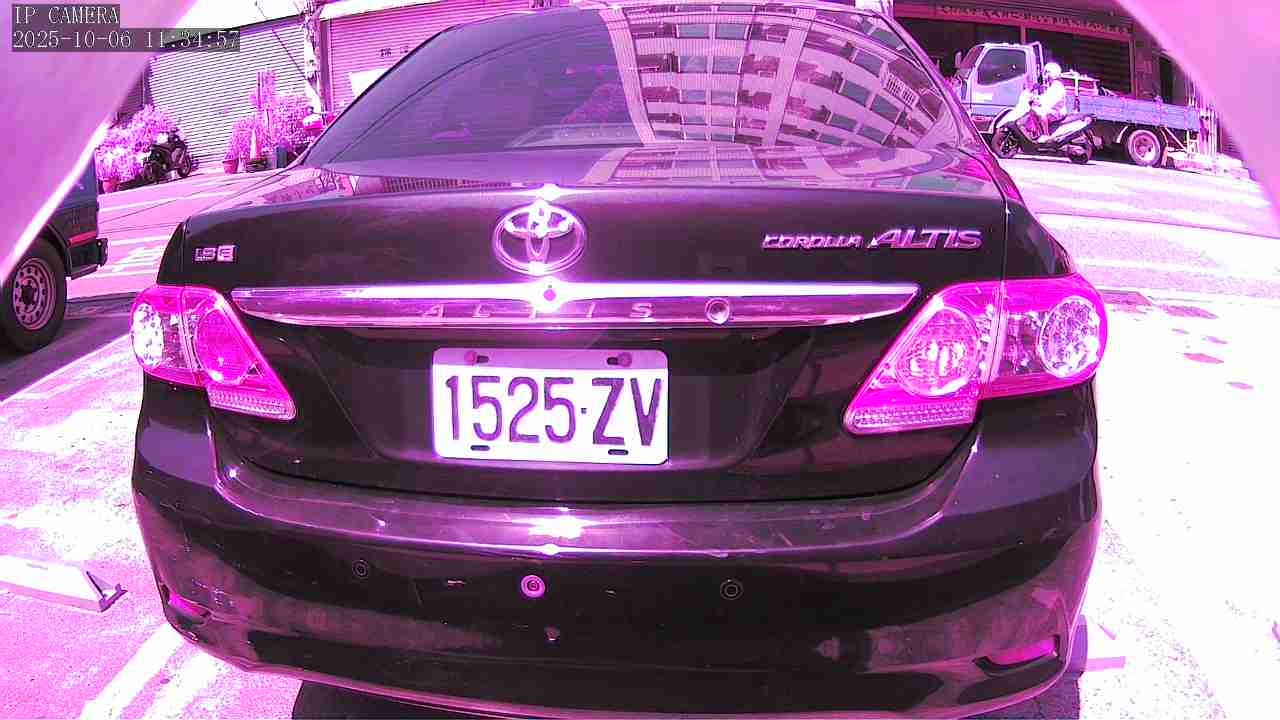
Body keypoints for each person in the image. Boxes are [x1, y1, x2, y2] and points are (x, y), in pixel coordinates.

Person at [1031, 62, 1069, 142]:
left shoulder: (1057, 86)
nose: (1045, 75)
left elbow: (1049, 102)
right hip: (1053, 110)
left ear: (1051, 73)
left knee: (1040, 112)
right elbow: (1045, 97)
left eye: (1047, 72)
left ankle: (1046, 136)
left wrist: (1038, 101)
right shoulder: (1053, 85)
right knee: (1033, 111)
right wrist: (1035, 98)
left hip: (1058, 112)